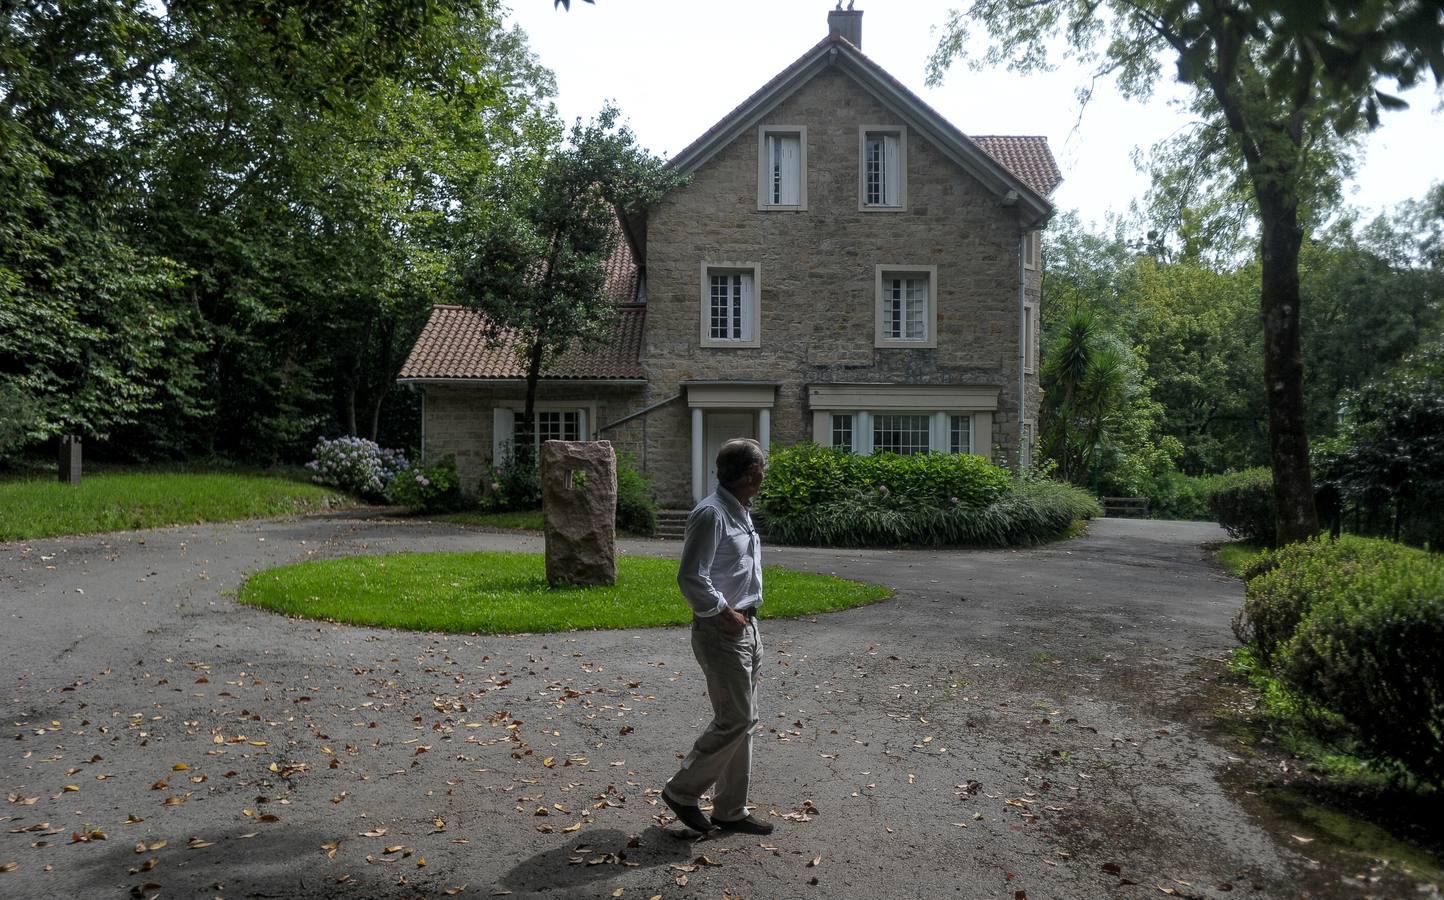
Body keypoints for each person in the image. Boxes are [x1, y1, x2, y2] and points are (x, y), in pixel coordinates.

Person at [661, 438, 774, 836]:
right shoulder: (711, 514)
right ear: (747, 475)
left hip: (747, 625)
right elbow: (691, 575)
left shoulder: (738, 509)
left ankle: (730, 810)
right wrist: (723, 611)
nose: (764, 476)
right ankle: (681, 790)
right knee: (736, 719)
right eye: (761, 469)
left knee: (745, 720)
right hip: (722, 628)